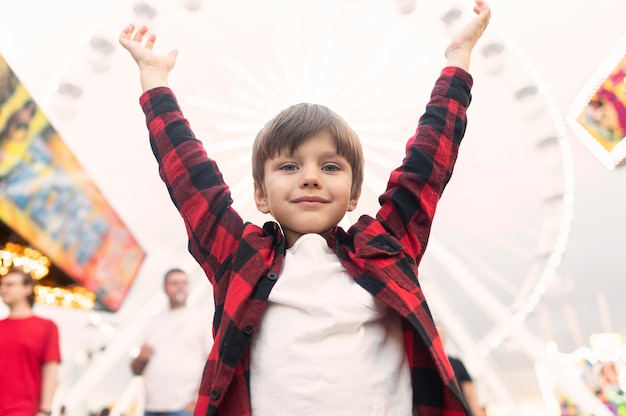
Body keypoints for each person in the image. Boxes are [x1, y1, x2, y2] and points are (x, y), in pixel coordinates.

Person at [119, 1, 491, 414]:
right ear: (260, 195)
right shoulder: (240, 256)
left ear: (354, 194)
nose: (310, 177)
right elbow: (190, 178)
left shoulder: (387, 248)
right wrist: (153, 79)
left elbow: (427, 165)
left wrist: (459, 60)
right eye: (290, 166)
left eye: (330, 166)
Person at [130, 268, 213, 416]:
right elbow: (136, 370)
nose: (180, 287)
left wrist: (197, 399)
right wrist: (140, 358)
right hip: (151, 407)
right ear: (165, 289)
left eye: (184, 283)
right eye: (175, 283)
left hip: (183, 408)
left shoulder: (200, 318)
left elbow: (212, 361)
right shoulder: (155, 323)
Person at [0, 267, 61, 416]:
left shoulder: (47, 326)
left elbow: (50, 370)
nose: (3, 289)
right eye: (1, 285)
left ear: (27, 288)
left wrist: (44, 410)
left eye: (10, 284)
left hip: (24, 411)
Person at [436, 323, 486, 416]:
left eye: (441, 334)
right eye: (435, 334)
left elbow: (472, 400)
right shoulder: (423, 366)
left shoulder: (457, 364)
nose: (439, 338)